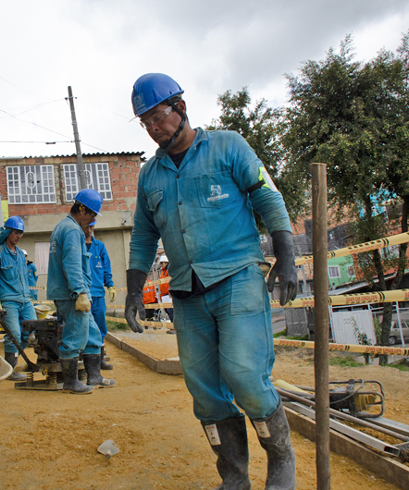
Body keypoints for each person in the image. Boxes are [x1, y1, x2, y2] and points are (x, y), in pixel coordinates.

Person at [125, 73, 298, 490]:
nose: (152, 127)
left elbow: (267, 197)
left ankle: (281, 458)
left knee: (243, 375)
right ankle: (235, 477)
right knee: (204, 392)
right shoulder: (151, 175)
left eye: (157, 116)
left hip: (236, 277)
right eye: (144, 122)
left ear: (180, 108)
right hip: (186, 291)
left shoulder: (227, 146)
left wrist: (287, 258)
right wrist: (134, 291)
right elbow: (145, 236)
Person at [47, 189, 116, 394]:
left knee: (93, 333)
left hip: (74, 292)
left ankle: (94, 376)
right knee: (75, 335)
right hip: (72, 294)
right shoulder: (71, 230)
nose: (93, 219)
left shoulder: (66, 227)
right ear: (82, 209)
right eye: (92, 214)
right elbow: (72, 264)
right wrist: (80, 292)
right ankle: (70, 382)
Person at [0, 216, 37, 382]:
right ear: (8, 232)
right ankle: (11, 370)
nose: (18, 236)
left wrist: (29, 297)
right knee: (13, 333)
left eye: (21, 233)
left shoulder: (21, 255)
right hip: (8, 301)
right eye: (15, 232)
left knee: (33, 328)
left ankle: (9, 364)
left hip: (25, 300)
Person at [83, 220, 116, 370]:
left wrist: (110, 285)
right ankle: (86, 359)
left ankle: (100, 359)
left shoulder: (100, 246)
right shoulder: (78, 246)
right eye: (87, 227)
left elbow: (106, 267)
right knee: (85, 327)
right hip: (83, 295)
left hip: (98, 293)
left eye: (91, 227)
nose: (89, 230)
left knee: (100, 326)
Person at [158, 255, 175, 330]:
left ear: (166, 263)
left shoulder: (169, 271)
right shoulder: (162, 273)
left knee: (171, 311)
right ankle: (172, 327)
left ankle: (174, 327)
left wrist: (171, 291)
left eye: (162, 263)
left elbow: (171, 281)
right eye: (160, 263)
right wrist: (161, 296)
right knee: (167, 311)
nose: (161, 265)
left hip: (169, 295)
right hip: (164, 295)